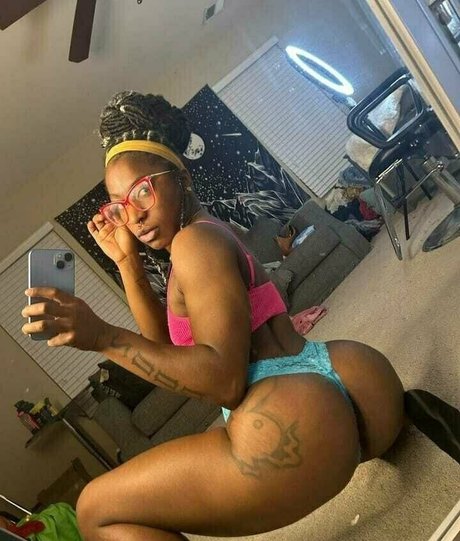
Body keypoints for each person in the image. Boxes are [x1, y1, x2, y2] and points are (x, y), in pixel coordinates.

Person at [20, 91, 456, 541]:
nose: (133, 216)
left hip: (293, 419)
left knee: (95, 508)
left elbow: (225, 381)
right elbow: (166, 352)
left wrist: (102, 337)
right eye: (118, 206)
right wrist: (127, 263)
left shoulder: (193, 245)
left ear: (180, 177)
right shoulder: (209, 233)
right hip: (354, 377)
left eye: (142, 191)